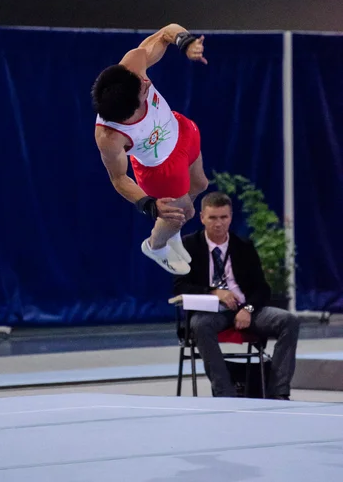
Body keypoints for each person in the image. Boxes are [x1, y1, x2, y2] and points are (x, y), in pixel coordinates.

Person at [92, 24, 209, 275]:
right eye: (143, 90)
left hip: (181, 130)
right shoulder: (109, 136)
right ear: (128, 112)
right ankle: (155, 246)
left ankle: (171, 232)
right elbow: (119, 178)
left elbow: (166, 31)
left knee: (200, 185)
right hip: (159, 168)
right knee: (184, 211)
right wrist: (149, 205)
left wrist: (186, 43)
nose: (147, 83)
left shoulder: (132, 67)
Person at [174, 191, 300, 399]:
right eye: (213, 217)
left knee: (289, 321)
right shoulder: (189, 246)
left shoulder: (243, 247)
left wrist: (248, 309)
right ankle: (226, 393)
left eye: (224, 217)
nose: (218, 223)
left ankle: (278, 392)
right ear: (202, 217)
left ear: (231, 217)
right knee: (200, 325)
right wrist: (214, 292)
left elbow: (262, 288)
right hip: (211, 311)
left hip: (245, 309)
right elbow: (180, 287)